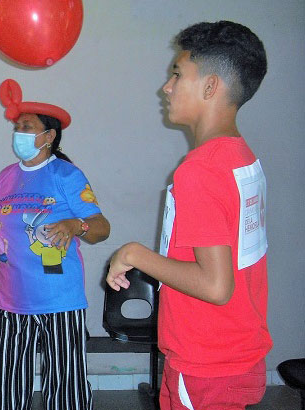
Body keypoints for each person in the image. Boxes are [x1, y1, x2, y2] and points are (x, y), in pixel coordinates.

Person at [106, 21, 271, 410]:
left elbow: (215, 286)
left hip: (205, 366)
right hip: (236, 356)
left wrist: (132, 253)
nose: (167, 87)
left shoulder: (200, 169)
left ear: (210, 86)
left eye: (177, 74)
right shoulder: (242, 158)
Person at [0, 79, 111, 410]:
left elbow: (101, 227)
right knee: (4, 384)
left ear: (49, 136)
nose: (19, 133)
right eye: (17, 127)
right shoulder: (6, 177)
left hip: (60, 300)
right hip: (10, 301)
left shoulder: (67, 175)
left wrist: (75, 224)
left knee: (65, 386)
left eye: (27, 127)